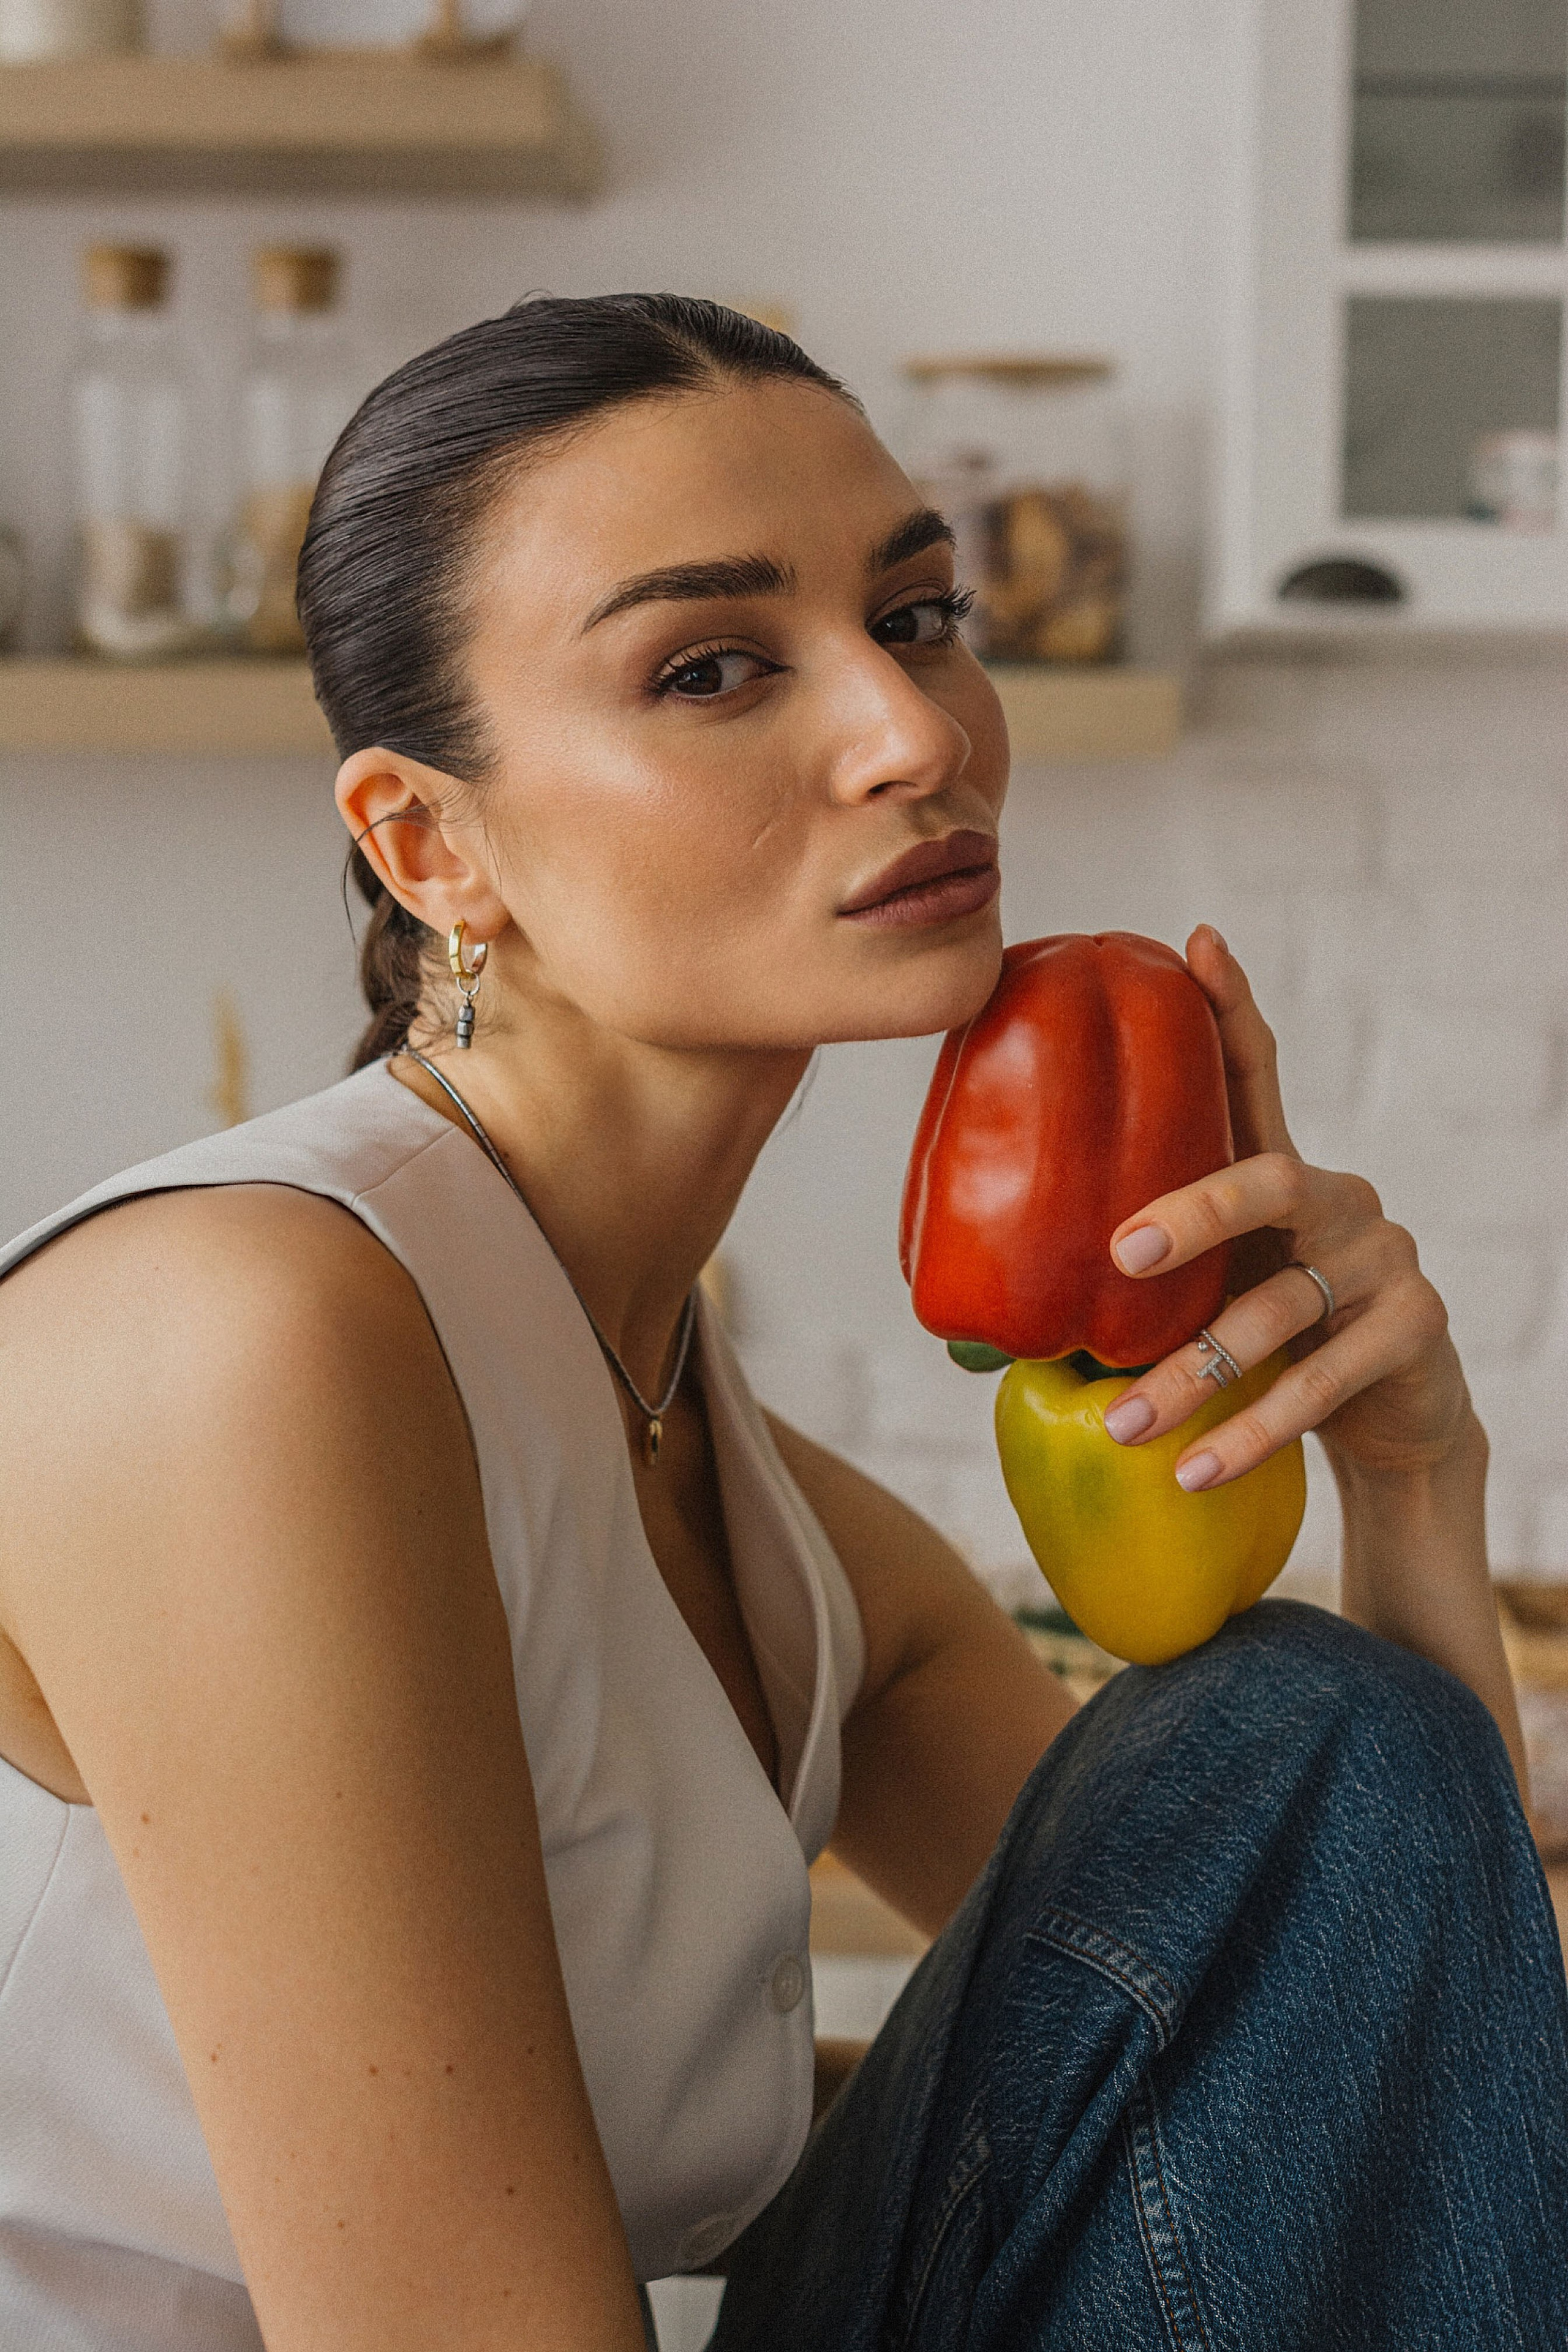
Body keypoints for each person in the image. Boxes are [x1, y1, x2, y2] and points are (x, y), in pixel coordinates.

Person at [0, 296, 1561, 2352]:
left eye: (918, 616)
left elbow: (1335, 2001)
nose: (916, 731)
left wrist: (1411, 1485)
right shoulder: (240, 1340)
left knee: (1303, 1720)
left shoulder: (724, 1475)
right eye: (712, 666)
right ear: (429, 843)